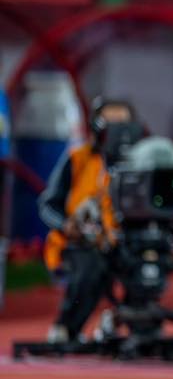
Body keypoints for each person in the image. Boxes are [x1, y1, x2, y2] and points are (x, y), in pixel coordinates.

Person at [39, 97, 135, 342]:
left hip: (125, 241)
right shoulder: (78, 159)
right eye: (109, 124)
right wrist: (65, 225)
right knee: (90, 269)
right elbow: (48, 204)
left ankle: (135, 326)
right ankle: (66, 328)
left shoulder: (138, 164)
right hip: (82, 242)